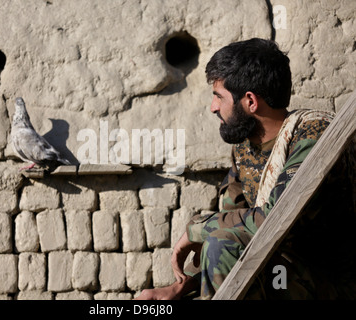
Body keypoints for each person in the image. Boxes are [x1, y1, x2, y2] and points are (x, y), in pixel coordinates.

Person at [136, 38, 356, 300]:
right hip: (278, 273)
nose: (213, 107)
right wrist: (184, 285)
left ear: (250, 101)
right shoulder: (244, 149)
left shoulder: (312, 136)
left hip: (329, 284)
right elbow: (232, 225)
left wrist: (196, 227)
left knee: (222, 243)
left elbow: (274, 221)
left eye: (219, 96)